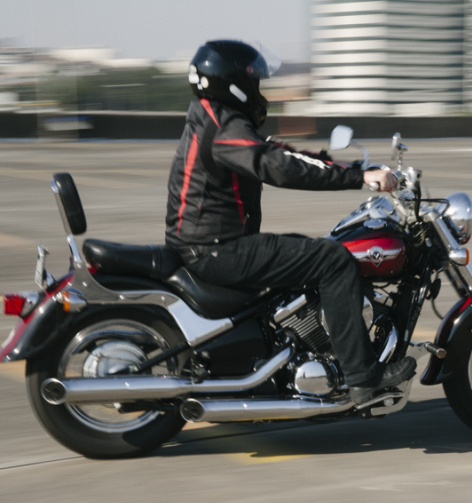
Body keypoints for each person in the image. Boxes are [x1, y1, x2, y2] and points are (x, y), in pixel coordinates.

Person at [164, 40, 416, 401]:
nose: (258, 89)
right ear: (235, 82)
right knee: (333, 260)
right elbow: (275, 164)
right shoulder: (223, 123)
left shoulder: (211, 116)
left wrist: (351, 168)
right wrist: (357, 178)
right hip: (218, 250)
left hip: (210, 244)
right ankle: (362, 374)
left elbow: (277, 152)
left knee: (317, 248)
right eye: (255, 81)